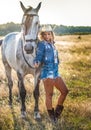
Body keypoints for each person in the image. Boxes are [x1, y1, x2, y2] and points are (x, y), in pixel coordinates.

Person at [34, 25, 68, 123]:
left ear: (52, 34)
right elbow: (39, 55)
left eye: (49, 34)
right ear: (42, 35)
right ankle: (52, 117)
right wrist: (36, 61)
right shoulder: (42, 44)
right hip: (47, 73)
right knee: (49, 94)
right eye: (44, 34)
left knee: (65, 91)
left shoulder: (52, 44)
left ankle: (57, 112)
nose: (47, 36)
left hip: (55, 72)